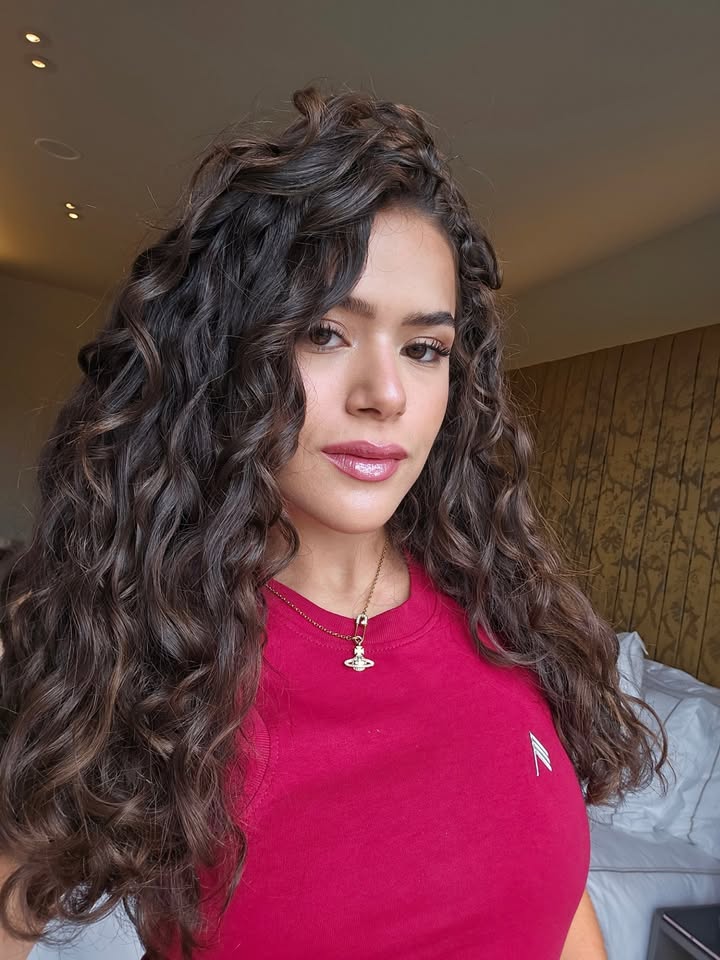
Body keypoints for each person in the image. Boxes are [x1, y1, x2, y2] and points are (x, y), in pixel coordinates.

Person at [0, 85, 669, 960]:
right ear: (227, 355)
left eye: (423, 348)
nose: (384, 394)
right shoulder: (132, 650)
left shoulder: (509, 611)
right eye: (322, 332)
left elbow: (556, 907)